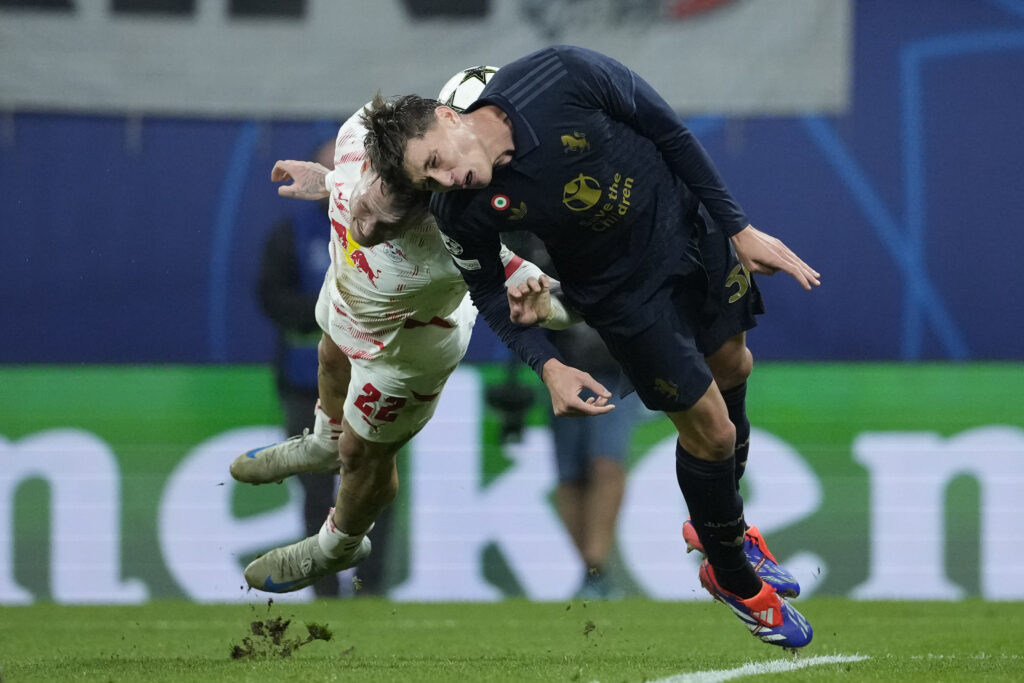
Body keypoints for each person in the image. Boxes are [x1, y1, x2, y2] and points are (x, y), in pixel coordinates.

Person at [362, 45, 820, 649]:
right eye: (430, 179)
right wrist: (547, 364)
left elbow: (669, 131)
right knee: (713, 432)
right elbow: (488, 294)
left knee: (736, 363)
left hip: (687, 229)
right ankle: (734, 578)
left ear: (448, 117)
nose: (447, 179)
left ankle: (719, 533)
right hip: (622, 297)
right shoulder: (459, 208)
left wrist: (738, 226)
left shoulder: (562, 74)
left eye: (437, 162)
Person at [231, 99, 575, 596]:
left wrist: (550, 308)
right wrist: (324, 181)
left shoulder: (453, 239)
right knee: (329, 352)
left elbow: (546, 294)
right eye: (367, 208)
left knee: (363, 456)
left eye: (385, 223)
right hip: (346, 301)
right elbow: (362, 174)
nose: (366, 226)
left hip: (409, 350)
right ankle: (321, 440)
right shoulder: (356, 143)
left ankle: (337, 545)